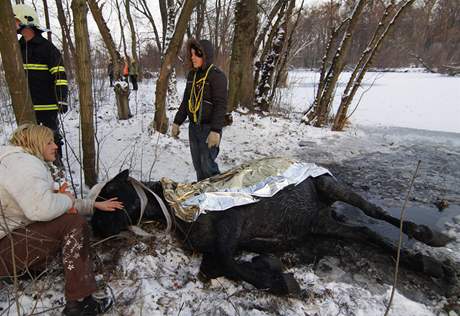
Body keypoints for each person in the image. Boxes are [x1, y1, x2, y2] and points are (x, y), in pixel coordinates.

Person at [0, 124, 123, 315]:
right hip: (5, 251)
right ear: (35, 143)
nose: (55, 146)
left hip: (7, 244)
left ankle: (31, 270)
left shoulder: (15, 162)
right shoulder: (24, 165)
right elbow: (41, 209)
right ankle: (80, 303)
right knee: (73, 224)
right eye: (49, 142)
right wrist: (67, 201)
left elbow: (54, 199)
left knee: (64, 218)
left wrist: (92, 204)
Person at [13, 4, 68, 165]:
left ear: (26, 20)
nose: (13, 25)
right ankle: (34, 169)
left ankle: (57, 168)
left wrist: (61, 98)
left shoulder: (47, 48)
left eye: (15, 20)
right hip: (27, 106)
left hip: (48, 106)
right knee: (28, 142)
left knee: (51, 139)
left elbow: (60, 76)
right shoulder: (17, 48)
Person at [171, 39, 228, 181]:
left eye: (196, 55)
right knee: (198, 165)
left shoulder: (217, 76)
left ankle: (217, 194)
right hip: (194, 128)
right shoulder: (192, 76)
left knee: (207, 164)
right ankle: (203, 194)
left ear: (205, 55)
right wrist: (177, 122)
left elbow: (221, 105)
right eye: (191, 55)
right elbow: (186, 102)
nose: (192, 58)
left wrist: (216, 130)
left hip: (209, 128)